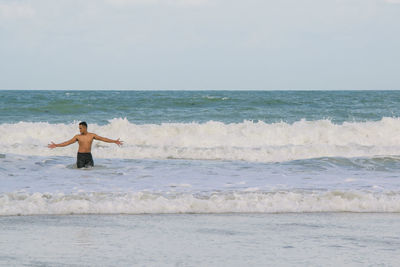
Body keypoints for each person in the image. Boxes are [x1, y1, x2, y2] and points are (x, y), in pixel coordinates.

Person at [48, 121, 123, 168]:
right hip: (80, 156)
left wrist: (114, 141)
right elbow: (67, 142)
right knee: (80, 172)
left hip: (88, 156)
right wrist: (56, 145)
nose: (79, 130)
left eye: (80, 128)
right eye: (79, 128)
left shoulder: (92, 135)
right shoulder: (77, 137)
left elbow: (103, 138)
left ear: (85, 128)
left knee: (90, 171)